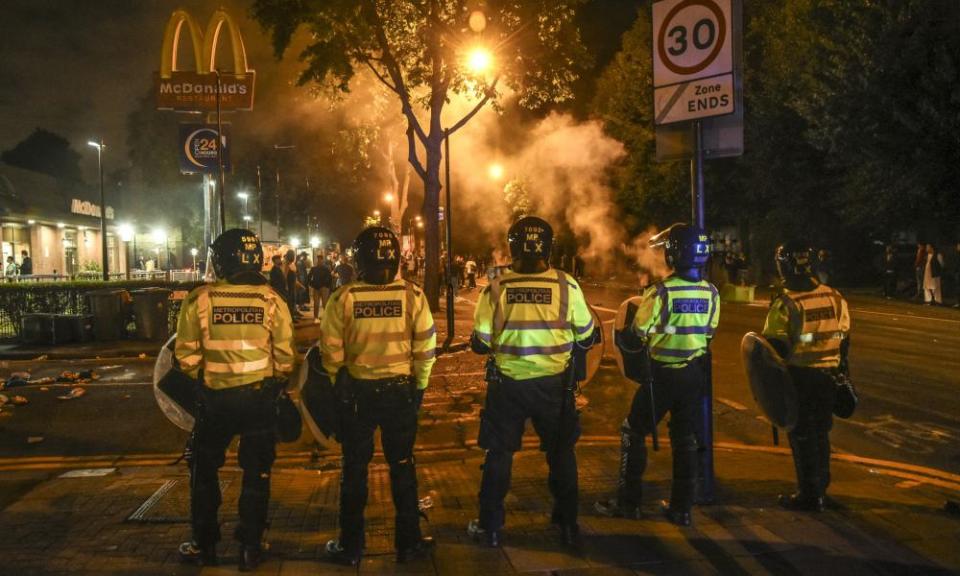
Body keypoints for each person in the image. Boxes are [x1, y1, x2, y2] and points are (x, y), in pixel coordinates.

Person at [468, 216, 599, 549]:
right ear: (548, 248)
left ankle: (491, 526)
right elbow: (586, 335)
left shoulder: (496, 287)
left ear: (513, 247)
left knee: (499, 454)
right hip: (554, 387)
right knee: (561, 453)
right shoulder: (566, 285)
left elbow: (481, 342)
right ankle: (567, 522)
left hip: (508, 386)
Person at [175, 229, 295, 571]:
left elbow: (185, 358)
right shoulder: (271, 300)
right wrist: (273, 379)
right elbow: (285, 358)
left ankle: (204, 544)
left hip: (215, 402)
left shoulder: (199, 300)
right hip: (258, 400)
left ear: (222, 260)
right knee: (257, 472)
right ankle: (251, 547)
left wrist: (208, 376)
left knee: (204, 470)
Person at [319, 227, 436, 565]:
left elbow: (330, 352)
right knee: (402, 466)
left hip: (358, 396)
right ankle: (409, 543)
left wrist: (338, 381)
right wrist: (420, 387)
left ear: (359, 259)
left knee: (354, 468)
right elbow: (425, 348)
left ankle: (351, 546)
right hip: (400, 393)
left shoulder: (342, 298)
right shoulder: (413, 296)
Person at [595, 223, 719, 527]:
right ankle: (682, 508)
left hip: (661, 376)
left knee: (633, 431)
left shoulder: (660, 291)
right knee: (685, 439)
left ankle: (629, 503)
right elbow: (709, 334)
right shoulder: (711, 292)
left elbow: (637, 334)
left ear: (674, 254)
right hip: (693, 376)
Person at [763, 241, 850, 512]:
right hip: (828, 377)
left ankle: (808, 494)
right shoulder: (834, 297)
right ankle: (822, 490)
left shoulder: (786, 302)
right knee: (822, 434)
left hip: (799, 378)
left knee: (801, 436)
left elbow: (773, 348)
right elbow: (844, 340)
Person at [307, 254, 334, 322]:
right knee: (317, 303)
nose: (319, 261)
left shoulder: (325, 268)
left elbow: (330, 278)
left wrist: (326, 286)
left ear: (322, 260)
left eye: (320, 259)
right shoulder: (315, 268)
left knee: (323, 303)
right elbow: (309, 277)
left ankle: (323, 317)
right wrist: (312, 284)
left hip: (323, 288)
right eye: (318, 259)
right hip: (318, 288)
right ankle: (317, 317)